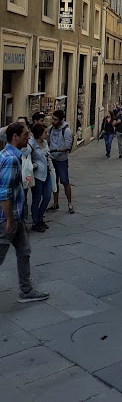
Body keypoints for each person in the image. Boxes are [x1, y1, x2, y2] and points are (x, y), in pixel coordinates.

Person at [0, 121, 49, 303]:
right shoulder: (11, 159)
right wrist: (9, 219)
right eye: (25, 134)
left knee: (24, 251)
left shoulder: (6, 153)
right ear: (15, 137)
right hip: (8, 217)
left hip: (16, 216)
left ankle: (26, 290)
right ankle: (26, 290)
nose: (28, 137)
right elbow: (4, 192)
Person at [47, 109, 74, 214]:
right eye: (52, 119)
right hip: (52, 159)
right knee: (54, 181)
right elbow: (47, 140)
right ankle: (55, 203)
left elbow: (68, 146)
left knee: (65, 181)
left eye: (55, 119)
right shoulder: (50, 129)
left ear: (61, 120)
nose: (52, 121)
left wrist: (56, 150)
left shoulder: (66, 130)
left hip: (62, 160)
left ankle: (69, 203)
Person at [29, 124, 53, 232]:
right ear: (39, 134)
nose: (47, 134)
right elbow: (25, 157)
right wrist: (34, 165)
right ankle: (36, 221)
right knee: (36, 199)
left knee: (47, 196)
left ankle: (40, 217)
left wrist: (52, 170)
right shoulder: (31, 144)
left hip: (47, 173)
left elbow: (48, 158)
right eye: (45, 133)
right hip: (37, 175)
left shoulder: (45, 143)